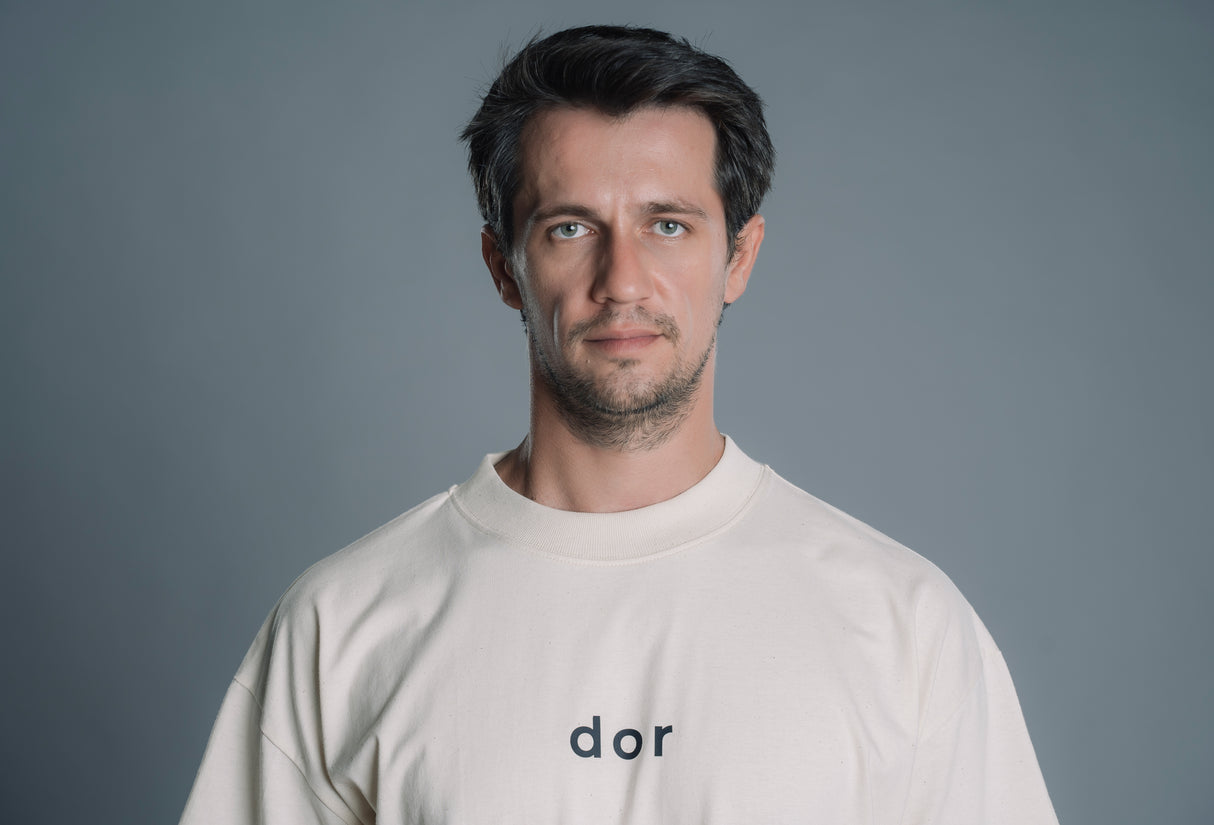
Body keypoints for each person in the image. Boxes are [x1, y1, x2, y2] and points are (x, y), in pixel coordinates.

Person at [179, 25, 1058, 824]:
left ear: (739, 256)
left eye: (667, 224)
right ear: (502, 264)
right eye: (570, 228)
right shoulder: (343, 625)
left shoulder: (903, 626)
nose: (623, 279)